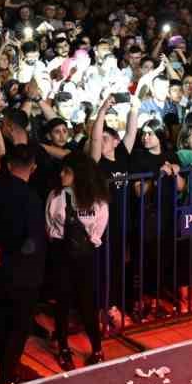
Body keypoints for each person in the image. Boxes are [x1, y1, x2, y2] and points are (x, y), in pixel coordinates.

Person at [0, 143, 47, 384]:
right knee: (18, 325)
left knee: (3, 319)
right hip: (23, 271)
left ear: (8, 165)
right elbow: (32, 241)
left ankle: (5, 369)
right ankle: (7, 374)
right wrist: (7, 257)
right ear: (33, 167)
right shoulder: (31, 198)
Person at [44, 151, 108, 370]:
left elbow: (97, 234)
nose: (62, 174)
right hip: (61, 254)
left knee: (87, 304)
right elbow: (51, 228)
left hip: (85, 257)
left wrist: (86, 247)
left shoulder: (97, 201)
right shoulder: (55, 196)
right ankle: (63, 348)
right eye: (62, 170)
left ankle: (97, 348)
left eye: (67, 171)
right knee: (61, 303)